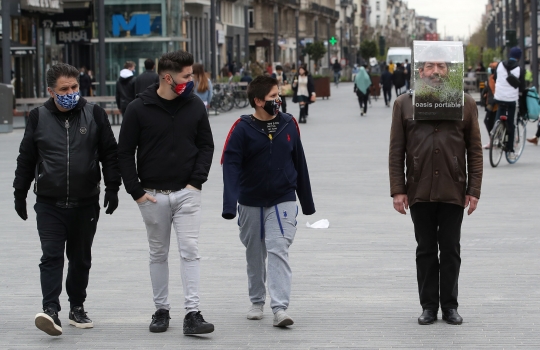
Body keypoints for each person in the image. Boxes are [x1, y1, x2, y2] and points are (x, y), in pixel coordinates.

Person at [13, 63, 121, 336]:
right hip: (50, 203)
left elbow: (110, 152)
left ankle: (77, 306)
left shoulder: (94, 113)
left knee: (80, 258)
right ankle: (50, 310)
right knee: (51, 256)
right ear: (51, 91)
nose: (71, 92)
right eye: (64, 89)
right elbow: (26, 158)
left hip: (86, 203)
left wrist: (112, 187)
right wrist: (19, 193)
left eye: (74, 87)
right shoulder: (38, 117)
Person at [117, 50, 215, 335]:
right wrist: (135, 191)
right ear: (168, 77)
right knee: (158, 253)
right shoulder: (138, 108)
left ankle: (193, 313)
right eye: (186, 76)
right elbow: (124, 152)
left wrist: (196, 182)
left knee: (190, 251)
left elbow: (206, 145)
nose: (191, 81)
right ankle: (161, 310)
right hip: (152, 194)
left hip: (187, 193)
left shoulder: (195, 105)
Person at [389, 49, 483, 326]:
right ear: (420, 72)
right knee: (426, 250)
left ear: (450, 71)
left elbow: (475, 150)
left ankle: (450, 306)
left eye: (442, 66)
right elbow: (396, 150)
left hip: (454, 188)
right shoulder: (404, 104)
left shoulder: (465, 103)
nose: (436, 71)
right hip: (419, 188)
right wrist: (398, 189)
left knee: (451, 249)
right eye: (430, 66)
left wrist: (474, 189)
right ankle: (428, 306)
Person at [221, 75, 315, 328]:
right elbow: (229, 166)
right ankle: (256, 301)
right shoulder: (241, 128)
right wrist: (229, 205)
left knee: (277, 247)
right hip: (250, 200)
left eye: (279, 95)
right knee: (254, 252)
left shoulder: (288, 124)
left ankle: (280, 308)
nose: (279, 100)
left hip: (282, 197)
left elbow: (300, 162)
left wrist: (307, 202)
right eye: (273, 97)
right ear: (259, 101)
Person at [493, 47, 525, 161]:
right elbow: (521, 87)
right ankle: (510, 151)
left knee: (500, 110)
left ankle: (495, 132)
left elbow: (495, 78)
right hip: (511, 99)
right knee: (511, 124)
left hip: (499, 96)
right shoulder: (520, 70)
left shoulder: (500, 65)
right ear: (519, 57)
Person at [481, 62, 499, 149]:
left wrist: (490, 105)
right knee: (493, 122)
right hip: (495, 104)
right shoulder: (494, 77)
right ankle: (494, 140)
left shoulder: (493, 78)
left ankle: (493, 140)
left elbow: (493, 92)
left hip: (493, 105)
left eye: (491, 68)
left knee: (488, 121)